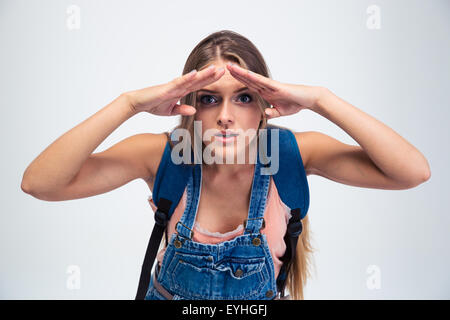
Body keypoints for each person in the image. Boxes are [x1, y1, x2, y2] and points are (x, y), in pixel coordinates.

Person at [21, 30, 431, 300]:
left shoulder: (292, 155)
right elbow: (40, 183)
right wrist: (128, 103)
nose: (226, 116)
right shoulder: (163, 155)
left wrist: (321, 99)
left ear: (266, 104)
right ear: (190, 107)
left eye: (245, 97)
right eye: (209, 98)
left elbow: (412, 172)